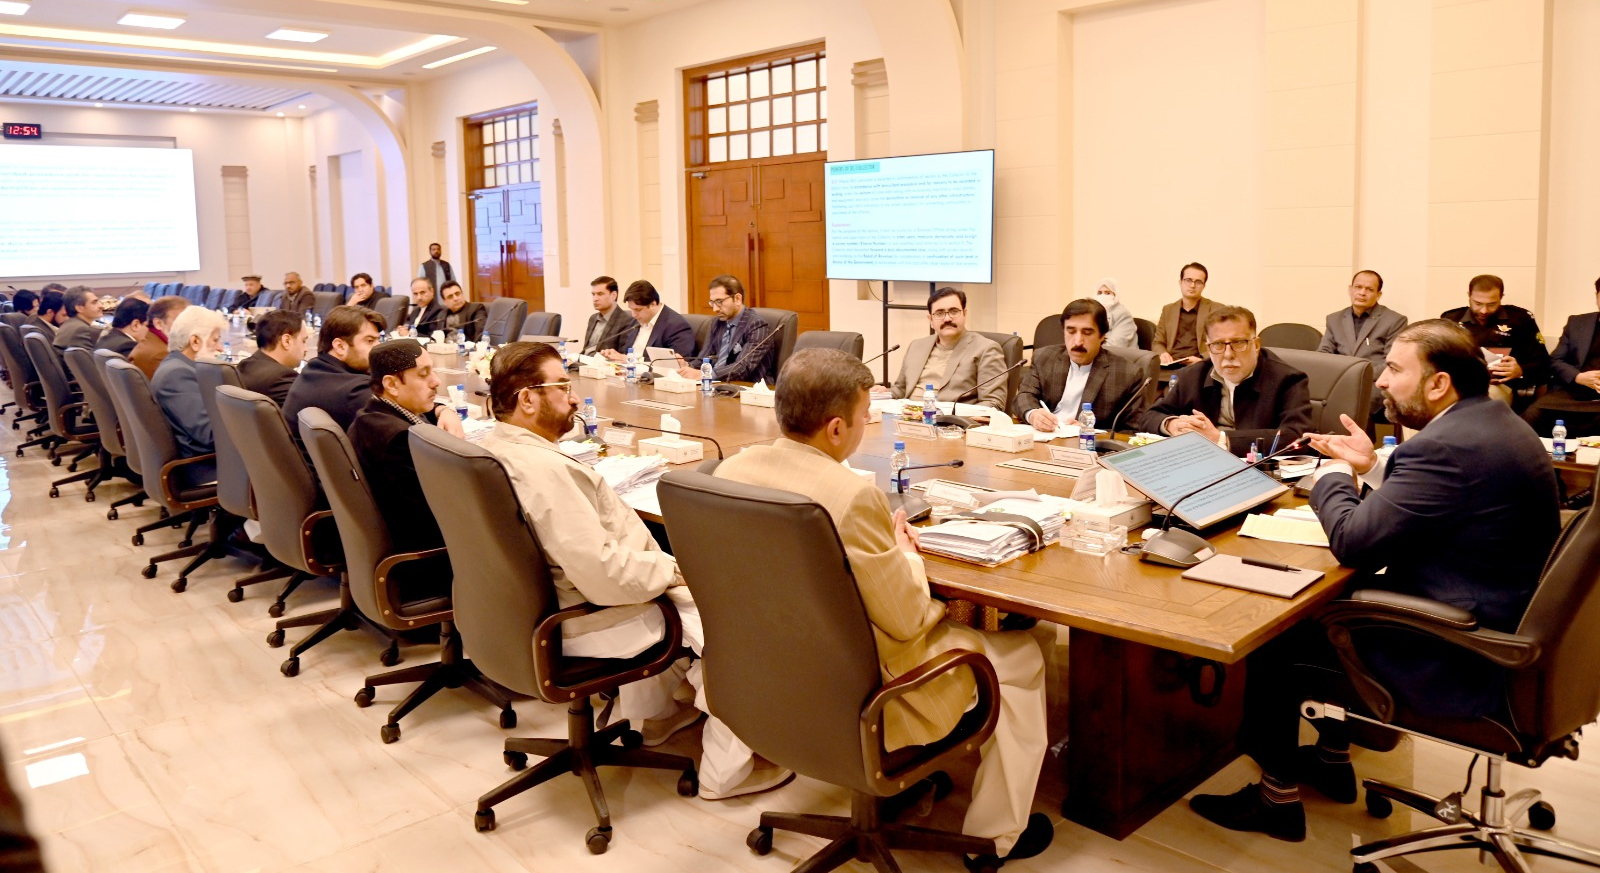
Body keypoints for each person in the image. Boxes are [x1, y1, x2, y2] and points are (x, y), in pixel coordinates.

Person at [1190, 320, 1559, 842]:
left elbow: (1354, 541)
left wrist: (1331, 476)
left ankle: (1276, 801)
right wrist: (1369, 468)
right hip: (1510, 629)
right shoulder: (1492, 424)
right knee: (1325, 610)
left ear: (1438, 384)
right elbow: (1435, 503)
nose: (1381, 381)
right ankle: (1331, 760)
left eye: (1393, 369)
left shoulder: (1446, 447)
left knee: (1277, 635)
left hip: (1462, 654)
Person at [716, 348, 1056, 867]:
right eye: (864, 414)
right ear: (836, 428)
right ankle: (997, 836)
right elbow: (906, 618)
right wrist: (905, 556)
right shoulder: (851, 497)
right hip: (865, 694)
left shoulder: (731, 470)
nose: (867, 422)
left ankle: (925, 780)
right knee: (1024, 654)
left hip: (770, 677)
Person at [479, 342, 714, 756]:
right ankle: (741, 752)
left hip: (525, 613)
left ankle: (655, 714)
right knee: (722, 607)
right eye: (562, 386)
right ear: (527, 400)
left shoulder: (495, 447)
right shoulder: (544, 471)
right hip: (585, 619)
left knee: (658, 567)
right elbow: (603, 573)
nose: (574, 399)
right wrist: (674, 572)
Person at [1135, 305, 1312, 455]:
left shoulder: (1288, 379)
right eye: (1218, 344)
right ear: (1208, 348)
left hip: (1259, 469)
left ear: (1256, 345)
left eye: (1238, 343)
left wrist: (1220, 439)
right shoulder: (1193, 375)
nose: (1228, 354)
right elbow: (1149, 416)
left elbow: (1298, 436)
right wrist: (1172, 425)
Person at [347, 339, 465, 553]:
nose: (436, 381)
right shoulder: (399, 440)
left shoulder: (372, 414)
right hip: (426, 555)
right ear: (392, 384)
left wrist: (444, 410)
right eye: (423, 374)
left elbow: (422, 408)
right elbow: (440, 510)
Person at [1013, 298, 1149, 432]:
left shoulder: (1128, 374)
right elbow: (1024, 396)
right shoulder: (1045, 357)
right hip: (1044, 437)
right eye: (1071, 331)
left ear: (1102, 335)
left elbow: (1133, 431)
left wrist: (1090, 432)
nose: (1078, 341)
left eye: (1087, 333)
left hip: (1089, 443)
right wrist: (1033, 414)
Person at [886, 287, 1007, 409]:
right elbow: (900, 390)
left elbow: (993, 403)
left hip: (950, 419)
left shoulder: (986, 349)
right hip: (905, 415)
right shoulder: (916, 346)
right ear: (931, 320)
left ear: (964, 314)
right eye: (940, 313)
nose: (947, 318)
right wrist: (881, 393)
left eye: (954, 311)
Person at [1440, 274, 1549, 407]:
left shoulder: (1520, 319)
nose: (1484, 311)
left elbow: (1544, 364)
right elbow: (1437, 359)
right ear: (1469, 296)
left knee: (1477, 404)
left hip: (1499, 386)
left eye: (1491, 304)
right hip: (1458, 384)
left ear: (1501, 297)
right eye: (1478, 304)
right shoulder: (1451, 319)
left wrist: (1520, 371)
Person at [1317, 270, 1408, 419]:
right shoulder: (1334, 319)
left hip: (1374, 383)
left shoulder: (1394, 321)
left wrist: (1357, 376)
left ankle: (1357, 435)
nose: (1362, 293)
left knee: (1355, 402)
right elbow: (1323, 354)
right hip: (1340, 382)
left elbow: (1391, 362)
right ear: (1350, 289)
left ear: (1378, 294)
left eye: (1369, 289)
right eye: (1358, 287)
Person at [283, 305, 385, 437]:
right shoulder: (356, 391)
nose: (379, 348)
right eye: (370, 341)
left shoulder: (312, 370)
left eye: (378, 340)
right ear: (340, 346)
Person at [151, 306, 227, 482]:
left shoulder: (177, 365)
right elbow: (210, 435)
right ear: (195, 342)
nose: (220, 349)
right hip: (204, 467)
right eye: (215, 340)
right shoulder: (177, 376)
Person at [1523, 276, 1600, 435]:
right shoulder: (1577, 323)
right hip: (1572, 392)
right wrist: (1578, 377)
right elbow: (1555, 360)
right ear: (1596, 296)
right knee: (1533, 415)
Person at [674, 275, 774, 384]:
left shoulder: (757, 325)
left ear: (737, 299)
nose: (715, 309)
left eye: (719, 301)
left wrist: (706, 374)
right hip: (717, 385)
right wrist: (688, 366)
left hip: (749, 387)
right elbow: (704, 359)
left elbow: (742, 368)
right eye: (712, 303)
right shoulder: (717, 323)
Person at [600, 280, 696, 362]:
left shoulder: (677, 326)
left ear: (653, 304)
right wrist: (615, 355)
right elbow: (626, 354)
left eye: (637, 310)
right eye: (631, 309)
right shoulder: (635, 322)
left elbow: (675, 364)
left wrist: (631, 360)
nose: (633, 315)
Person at [1152, 262, 1221, 366]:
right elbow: (1158, 342)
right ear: (1180, 282)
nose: (1192, 285)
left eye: (1198, 282)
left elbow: (1221, 343)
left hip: (1199, 365)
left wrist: (1203, 360)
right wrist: (1162, 353)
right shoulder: (1168, 310)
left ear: (1204, 286)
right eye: (1188, 280)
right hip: (1171, 364)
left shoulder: (1216, 310)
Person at [237, 310, 305, 406]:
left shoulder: (244, 365)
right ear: (286, 341)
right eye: (303, 341)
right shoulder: (282, 378)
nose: (306, 349)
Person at [129, 296, 189, 379]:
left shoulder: (150, 341)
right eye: (181, 321)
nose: (188, 326)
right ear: (158, 323)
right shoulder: (161, 354)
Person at [581, 275, 632, 356]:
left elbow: (622, 355)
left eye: (600, 294)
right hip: (583, 361)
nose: (595, 299)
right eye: (593, 294)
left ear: (613, 295)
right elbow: (586, 350)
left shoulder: (627, 321)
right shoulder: (593, 318)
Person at [53, 286, 105, 351]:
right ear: (79, 308)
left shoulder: (69, 325)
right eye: (94, 302)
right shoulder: (82, 330)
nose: (100, 306)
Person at [1092, 277, 1138, 348]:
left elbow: (1116, 345)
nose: (1103, 296)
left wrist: (1092, 350)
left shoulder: (1122, 314)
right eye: (1099, 293)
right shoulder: (1095, 311)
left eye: (1107, 293)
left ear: (1115, 294)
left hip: (1121, 353)